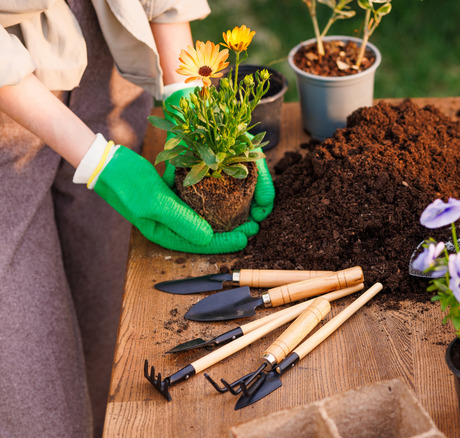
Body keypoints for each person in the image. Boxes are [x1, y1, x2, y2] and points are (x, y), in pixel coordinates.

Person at [0, 1, 273, 436]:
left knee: (110, 342)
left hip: (106, 60)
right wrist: (98, 162)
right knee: (40, 408)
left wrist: (187, 91)